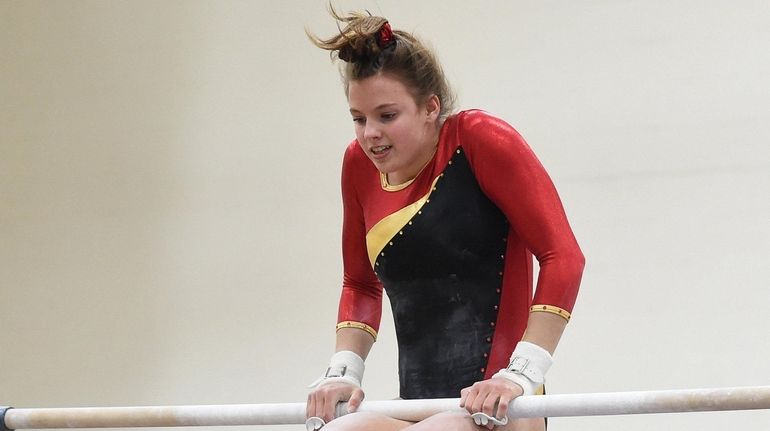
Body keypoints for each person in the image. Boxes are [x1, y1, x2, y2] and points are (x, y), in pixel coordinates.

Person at [305, 9, 584, 431]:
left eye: (387, 115)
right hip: (420, 408)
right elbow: (360, 284)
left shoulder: (478, 140)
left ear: (430, 107)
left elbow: (563, 256)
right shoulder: (358, 166)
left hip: (499, 406)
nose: (369, 134)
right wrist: (342, 371)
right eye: (358, 119)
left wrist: (523, 373)